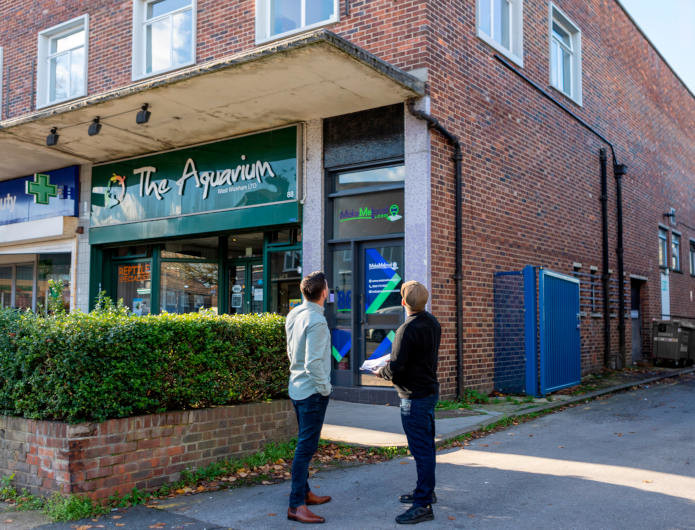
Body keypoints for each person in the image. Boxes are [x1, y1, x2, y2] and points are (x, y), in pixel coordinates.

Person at [377, 281, 441, 525]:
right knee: (426, 447)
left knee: (421, 449)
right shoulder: (432, 323)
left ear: (403, 302)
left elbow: (396, 367)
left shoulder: (407, 329)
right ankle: (426, 491)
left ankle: (423, 504)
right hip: (428, 391)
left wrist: (380, 372)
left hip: (413, 397)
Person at [285, 271, 333, 524]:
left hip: (297, 387)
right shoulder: (317, 321)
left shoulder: (294, 314)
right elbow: (314, 363)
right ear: (323, 292)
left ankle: (305, 493)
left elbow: (291, 350)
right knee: (306, 448)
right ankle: (296, 504)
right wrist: (325, 388)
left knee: (305, 445)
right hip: (312, 392)